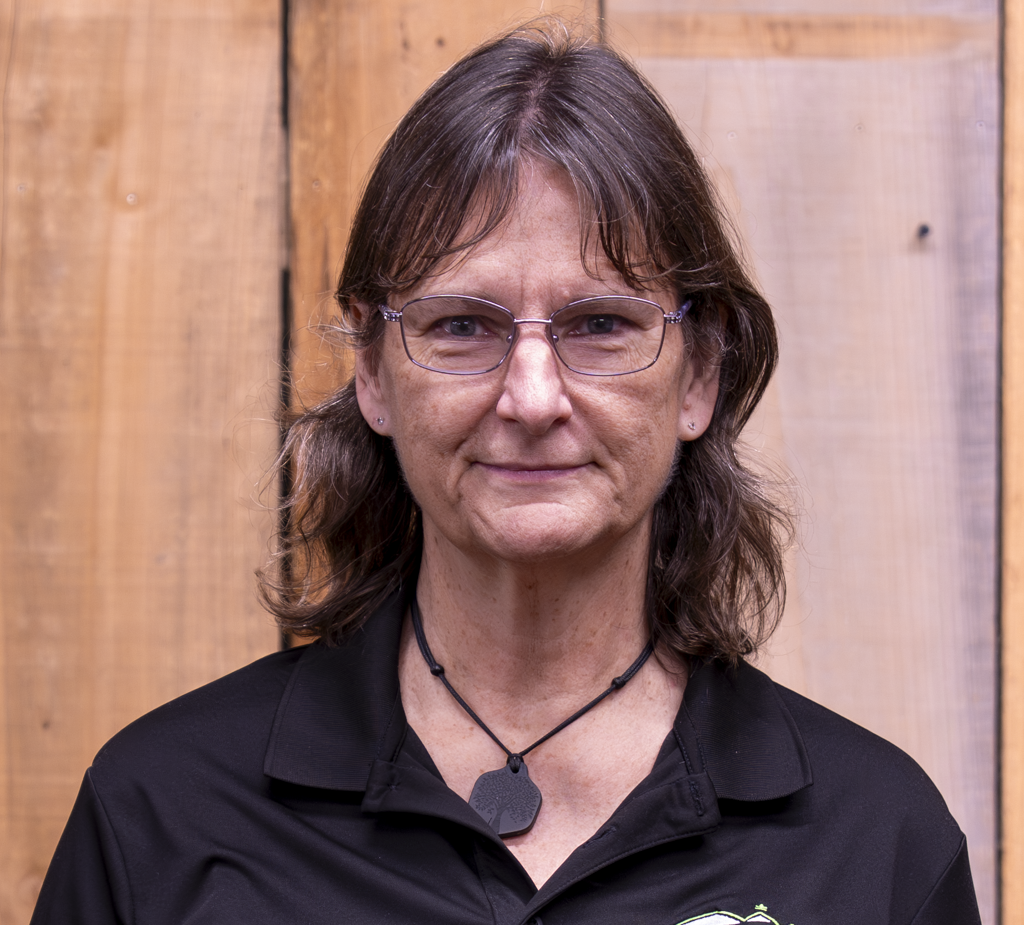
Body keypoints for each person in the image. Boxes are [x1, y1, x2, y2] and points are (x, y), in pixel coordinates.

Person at [32, 21, 980, 925]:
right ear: (371, 371)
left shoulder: (874, 841)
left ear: (700, 374)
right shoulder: (159, 813)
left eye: (601, 324)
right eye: (462, 326)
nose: (531, 397)